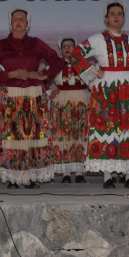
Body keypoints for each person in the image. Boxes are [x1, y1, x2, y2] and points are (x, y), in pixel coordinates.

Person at [0, 6, 63, 188]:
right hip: (9, 95)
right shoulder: (0, 45)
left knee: (32, 134)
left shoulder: (36, 43)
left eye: (22, 19)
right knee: (11, 135)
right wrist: (11, 74)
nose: (18, 22)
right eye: (15, 19)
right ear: (10, 23)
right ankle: (13, 176)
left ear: (27, 24)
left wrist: (44, 75)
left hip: (33, 95)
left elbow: (57, 60)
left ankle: (30, 176)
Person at [75, 2, 129, 188]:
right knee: (108, 128)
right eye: (112, 14)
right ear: (106, 18)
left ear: (124, 17)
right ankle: (107, 176)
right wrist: (93, 71)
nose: (116, 17)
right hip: (107, 89)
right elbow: (75, 54)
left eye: (120, 13)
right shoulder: (98, 39)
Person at [50, 37, 91, 184]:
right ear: (60, 50)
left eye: (70, 46)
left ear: (75, 49)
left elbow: (94, 80)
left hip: (81, 101)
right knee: (64, 135)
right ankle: (66, 173)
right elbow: (40, 78)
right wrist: (49, 92)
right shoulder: (56, 65)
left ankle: (80, 172)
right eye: (64, 46)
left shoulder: (84, 64)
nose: (67, 48)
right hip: (62, 101)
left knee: (80, 135)